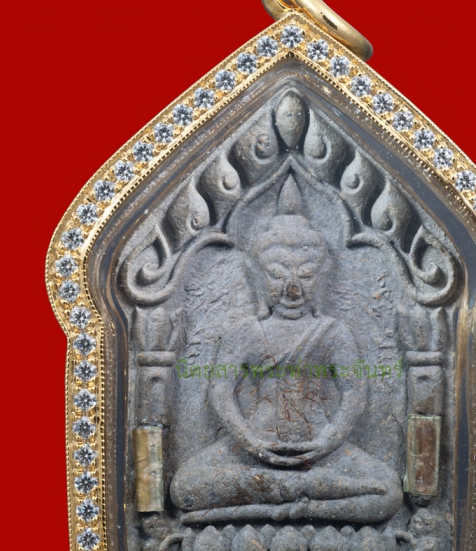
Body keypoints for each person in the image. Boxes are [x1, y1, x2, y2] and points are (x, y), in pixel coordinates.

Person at [170, 175, 402, 524]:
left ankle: (285, 504)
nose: (292, 288)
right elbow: (220, 391)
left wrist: (327, 441)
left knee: (389, 492)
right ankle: (306, 498)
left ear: (322, 278)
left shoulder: (333, 333)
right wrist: (250, 441)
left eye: (306, 275)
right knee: (185, 488)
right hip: (253, 446)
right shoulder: (245, 333)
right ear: (258, 278)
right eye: (278, 275)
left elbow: (354, 391)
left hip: (320, 449)